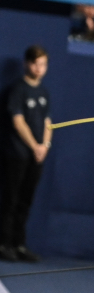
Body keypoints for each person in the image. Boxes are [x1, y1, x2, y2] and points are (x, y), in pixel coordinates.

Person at [1, 46, 51, 263]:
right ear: (27, 64)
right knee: (10, 199)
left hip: (37, 157)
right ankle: (4, 243)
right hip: (17, 154)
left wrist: (45, 146)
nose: (39, 69)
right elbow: (18, 121)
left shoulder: (44, 93)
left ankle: (19, 243)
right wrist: (34, 145)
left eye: (43, 65)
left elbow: (48, 122)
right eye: (35, 64)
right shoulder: (18, 90)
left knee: (26, 201)